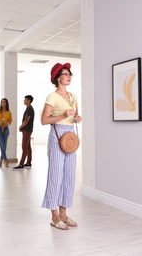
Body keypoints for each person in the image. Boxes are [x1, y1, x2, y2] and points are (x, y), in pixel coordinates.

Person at [41, 63, 82, 230]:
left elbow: (73, 117)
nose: (69, 76)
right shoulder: (52, 96)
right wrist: (63, 115)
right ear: (58, 77)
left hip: (70, 137)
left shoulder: (73, 96)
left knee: (69, 176)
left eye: (70, 74)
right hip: (57, 135)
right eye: (65, 74)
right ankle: (54, 216)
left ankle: (64, 214)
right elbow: (44, 120)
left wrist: (77, 118)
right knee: (55, 176)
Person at [13, 95, 35, 170]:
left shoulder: (29, 108)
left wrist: (21, 126)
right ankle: (28, 162)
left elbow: (27, 120)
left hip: (27, 130)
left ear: (29, 100)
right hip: (28, 129)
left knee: (24, 146)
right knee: (28, 146)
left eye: (25, 99)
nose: (24, 100)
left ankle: (21, 164)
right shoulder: (29, 108)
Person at [0, 98, 12, 168]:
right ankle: (6, 160)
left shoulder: (9, 112)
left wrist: (8, 124)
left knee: (4, 145)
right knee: (2, 144)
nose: (3, 103)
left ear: (6, 104)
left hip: (6, 129)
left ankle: (1, 159)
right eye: (2, 102)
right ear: (1, 103)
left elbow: (10, 121)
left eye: (4, 102)